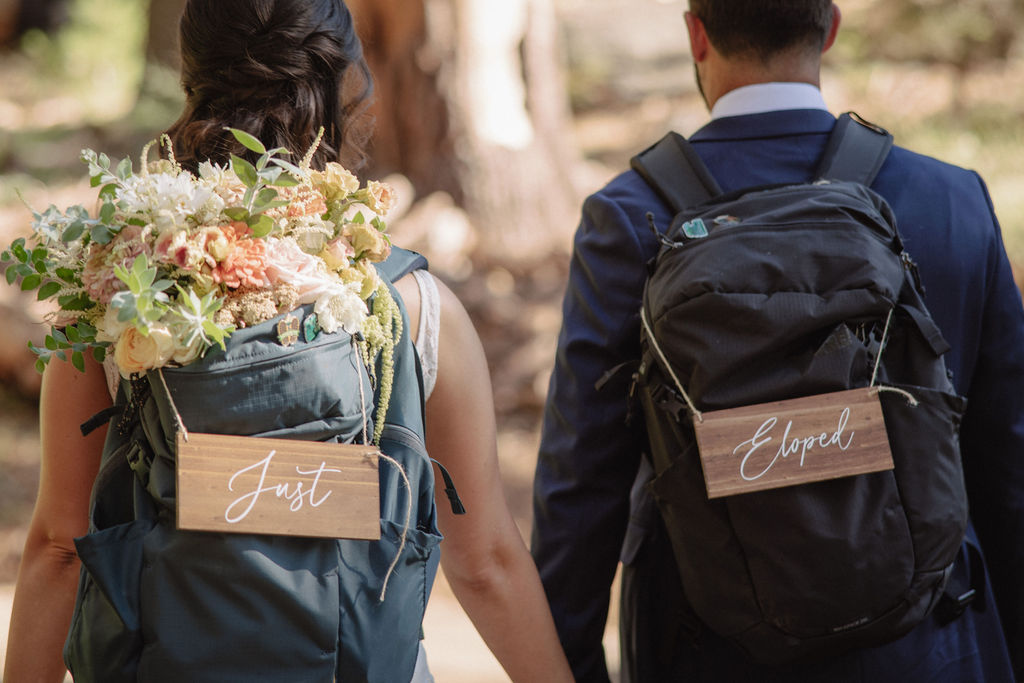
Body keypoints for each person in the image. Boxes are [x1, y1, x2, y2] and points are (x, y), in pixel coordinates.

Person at [3, 1, 573, 681]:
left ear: (190, 83)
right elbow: (485, 564)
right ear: (342, 84)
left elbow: (60, 548)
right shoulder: (412, 307)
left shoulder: (114, 299)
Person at [531, 1, 1024, 681]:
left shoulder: (628, 219)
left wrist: (572, 664)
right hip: (929, 645)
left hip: (706, 651)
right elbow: (1008, 463)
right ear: (830, 27)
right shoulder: (949, 200)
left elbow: (580, 488)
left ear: (696, 35)